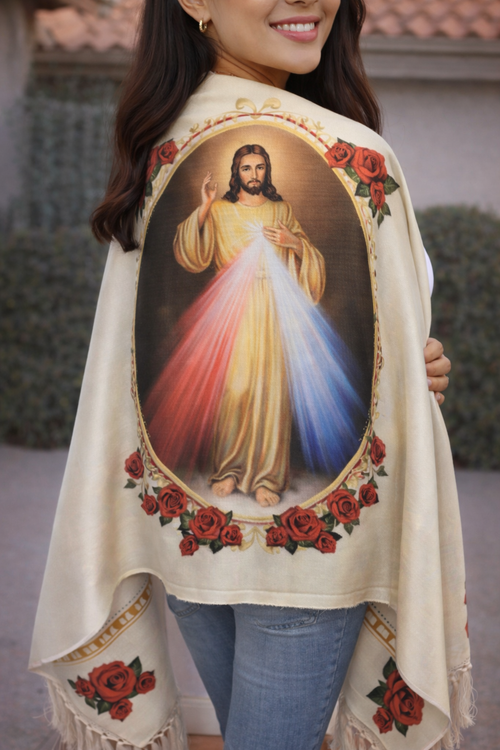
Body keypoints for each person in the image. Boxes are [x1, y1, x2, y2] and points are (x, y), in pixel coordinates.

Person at [30, 3, 471, 750]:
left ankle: (259, 474)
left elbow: (347, 301)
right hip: (308, 570)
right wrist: (210, 214)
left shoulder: (159, 148)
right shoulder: (354, 153)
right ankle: (246, 471)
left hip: (186, 539)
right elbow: (184, 281)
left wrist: (401, 358)